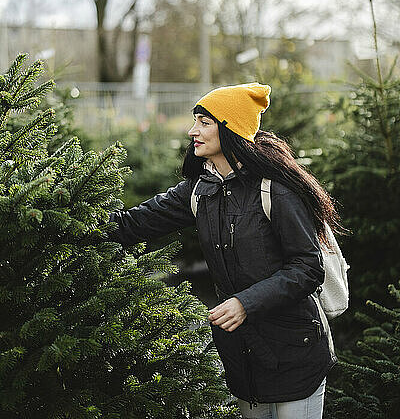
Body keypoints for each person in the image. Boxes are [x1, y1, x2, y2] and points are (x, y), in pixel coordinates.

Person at [108, 82, 347, 419]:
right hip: (244, 354)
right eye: (195, 121)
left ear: (230, 129)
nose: (193, 131)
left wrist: (244, 303)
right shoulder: (199, 190)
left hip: (295, 350)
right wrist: (67, 220)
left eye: (205, 123)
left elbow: (306, 268)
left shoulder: (275, 190)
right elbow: (131, 224)